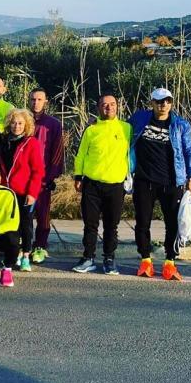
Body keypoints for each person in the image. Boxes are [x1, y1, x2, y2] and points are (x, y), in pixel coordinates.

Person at [129, 88, 191, 281]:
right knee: (142, 222)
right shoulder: (140, 118)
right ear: (152, 102)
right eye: (159, 101)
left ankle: (170, 262)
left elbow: (189, 151)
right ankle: (145, 260)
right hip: (144, 181)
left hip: (172, 181)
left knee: (172, 223)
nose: (163, 105)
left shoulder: (180, 125)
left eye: (167, 101)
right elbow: (121, 131)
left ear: (171, 103)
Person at [71, 94, 131, 275]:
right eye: (104, 105)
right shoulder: (91, 129)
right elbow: (81, 154)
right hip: (92, 184)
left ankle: (109, 259)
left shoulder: (126, 128)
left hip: (116, 185)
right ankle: (88, 257)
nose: (109, 107)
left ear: (118, 106)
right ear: (98, 107)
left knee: (111, 226)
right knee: (90, 224)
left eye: (112, 104)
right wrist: (78, 176)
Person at [0, 109, 44, 271]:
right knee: (12, 225)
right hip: (7, 192)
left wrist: (32, 193)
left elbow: (38, 171)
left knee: (26, 225)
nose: (16, 126)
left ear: (26, 125)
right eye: (13, 123)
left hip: (24, 192)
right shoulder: (4, 142)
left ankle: (25, 255)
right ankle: (14, 253)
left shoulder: (31, 143)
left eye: (20, 123)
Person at [29, 88, 64, 264]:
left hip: (43, 177)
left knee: (43, 214)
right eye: (33, 99)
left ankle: (40, 246)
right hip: (24, 176)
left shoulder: (53, 124)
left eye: (39, 99)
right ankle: (24, 245)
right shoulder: (23, 120)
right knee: (24, 214)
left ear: (45, 102)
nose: (36, 102)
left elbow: (57, 151)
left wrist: (50, 176)